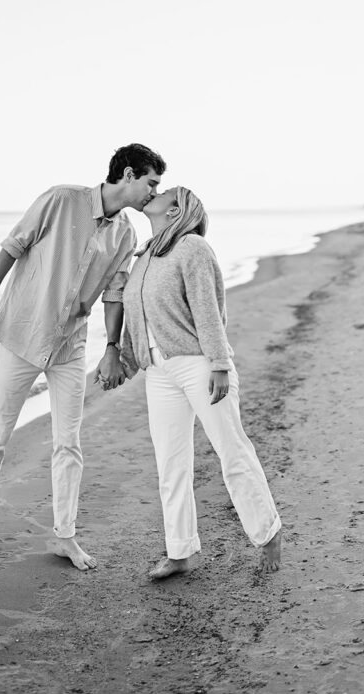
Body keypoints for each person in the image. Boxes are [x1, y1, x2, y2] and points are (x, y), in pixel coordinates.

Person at [0, 143, 166, 571]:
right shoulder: (60, 199)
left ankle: (65, 537)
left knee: (69, 444)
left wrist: (111, 348)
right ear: (128, 175)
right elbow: (13, 246)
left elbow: (114, 296)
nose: (153, 192)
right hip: (23, 333)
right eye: (151, 182)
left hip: (69, 347)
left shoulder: (126, 233)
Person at [109, 186, 282, 579]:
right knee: (171, 464)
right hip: (159, 372)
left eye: (162, 193)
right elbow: (140, 319)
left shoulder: (192, 248)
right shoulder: (144, 256)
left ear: (175, 210)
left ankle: (268, 532)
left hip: (200, 365)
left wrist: (220, 364)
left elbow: (208, 309)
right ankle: (180, 551)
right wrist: (125, 360)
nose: (152, 193)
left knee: (231, 450)